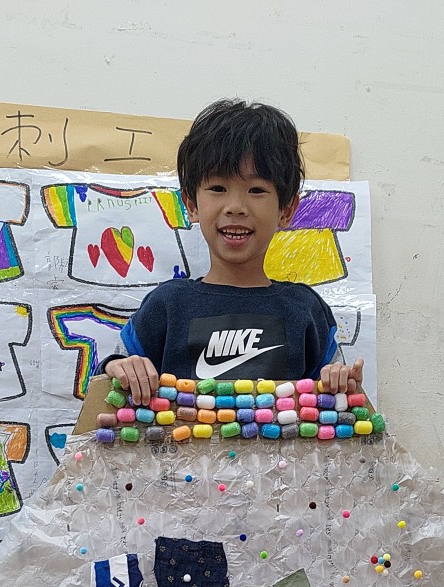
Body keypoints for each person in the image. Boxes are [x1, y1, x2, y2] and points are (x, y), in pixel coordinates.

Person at [102, 99, 364, 405]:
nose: (236, 207)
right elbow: (106, 389)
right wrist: (117, 368)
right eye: (217, 188)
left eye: (256, 190)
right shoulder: (167, 306)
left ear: (286, 209)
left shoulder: (305, 309)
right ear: (191, 204)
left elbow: (336, 404)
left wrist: (340, 383)